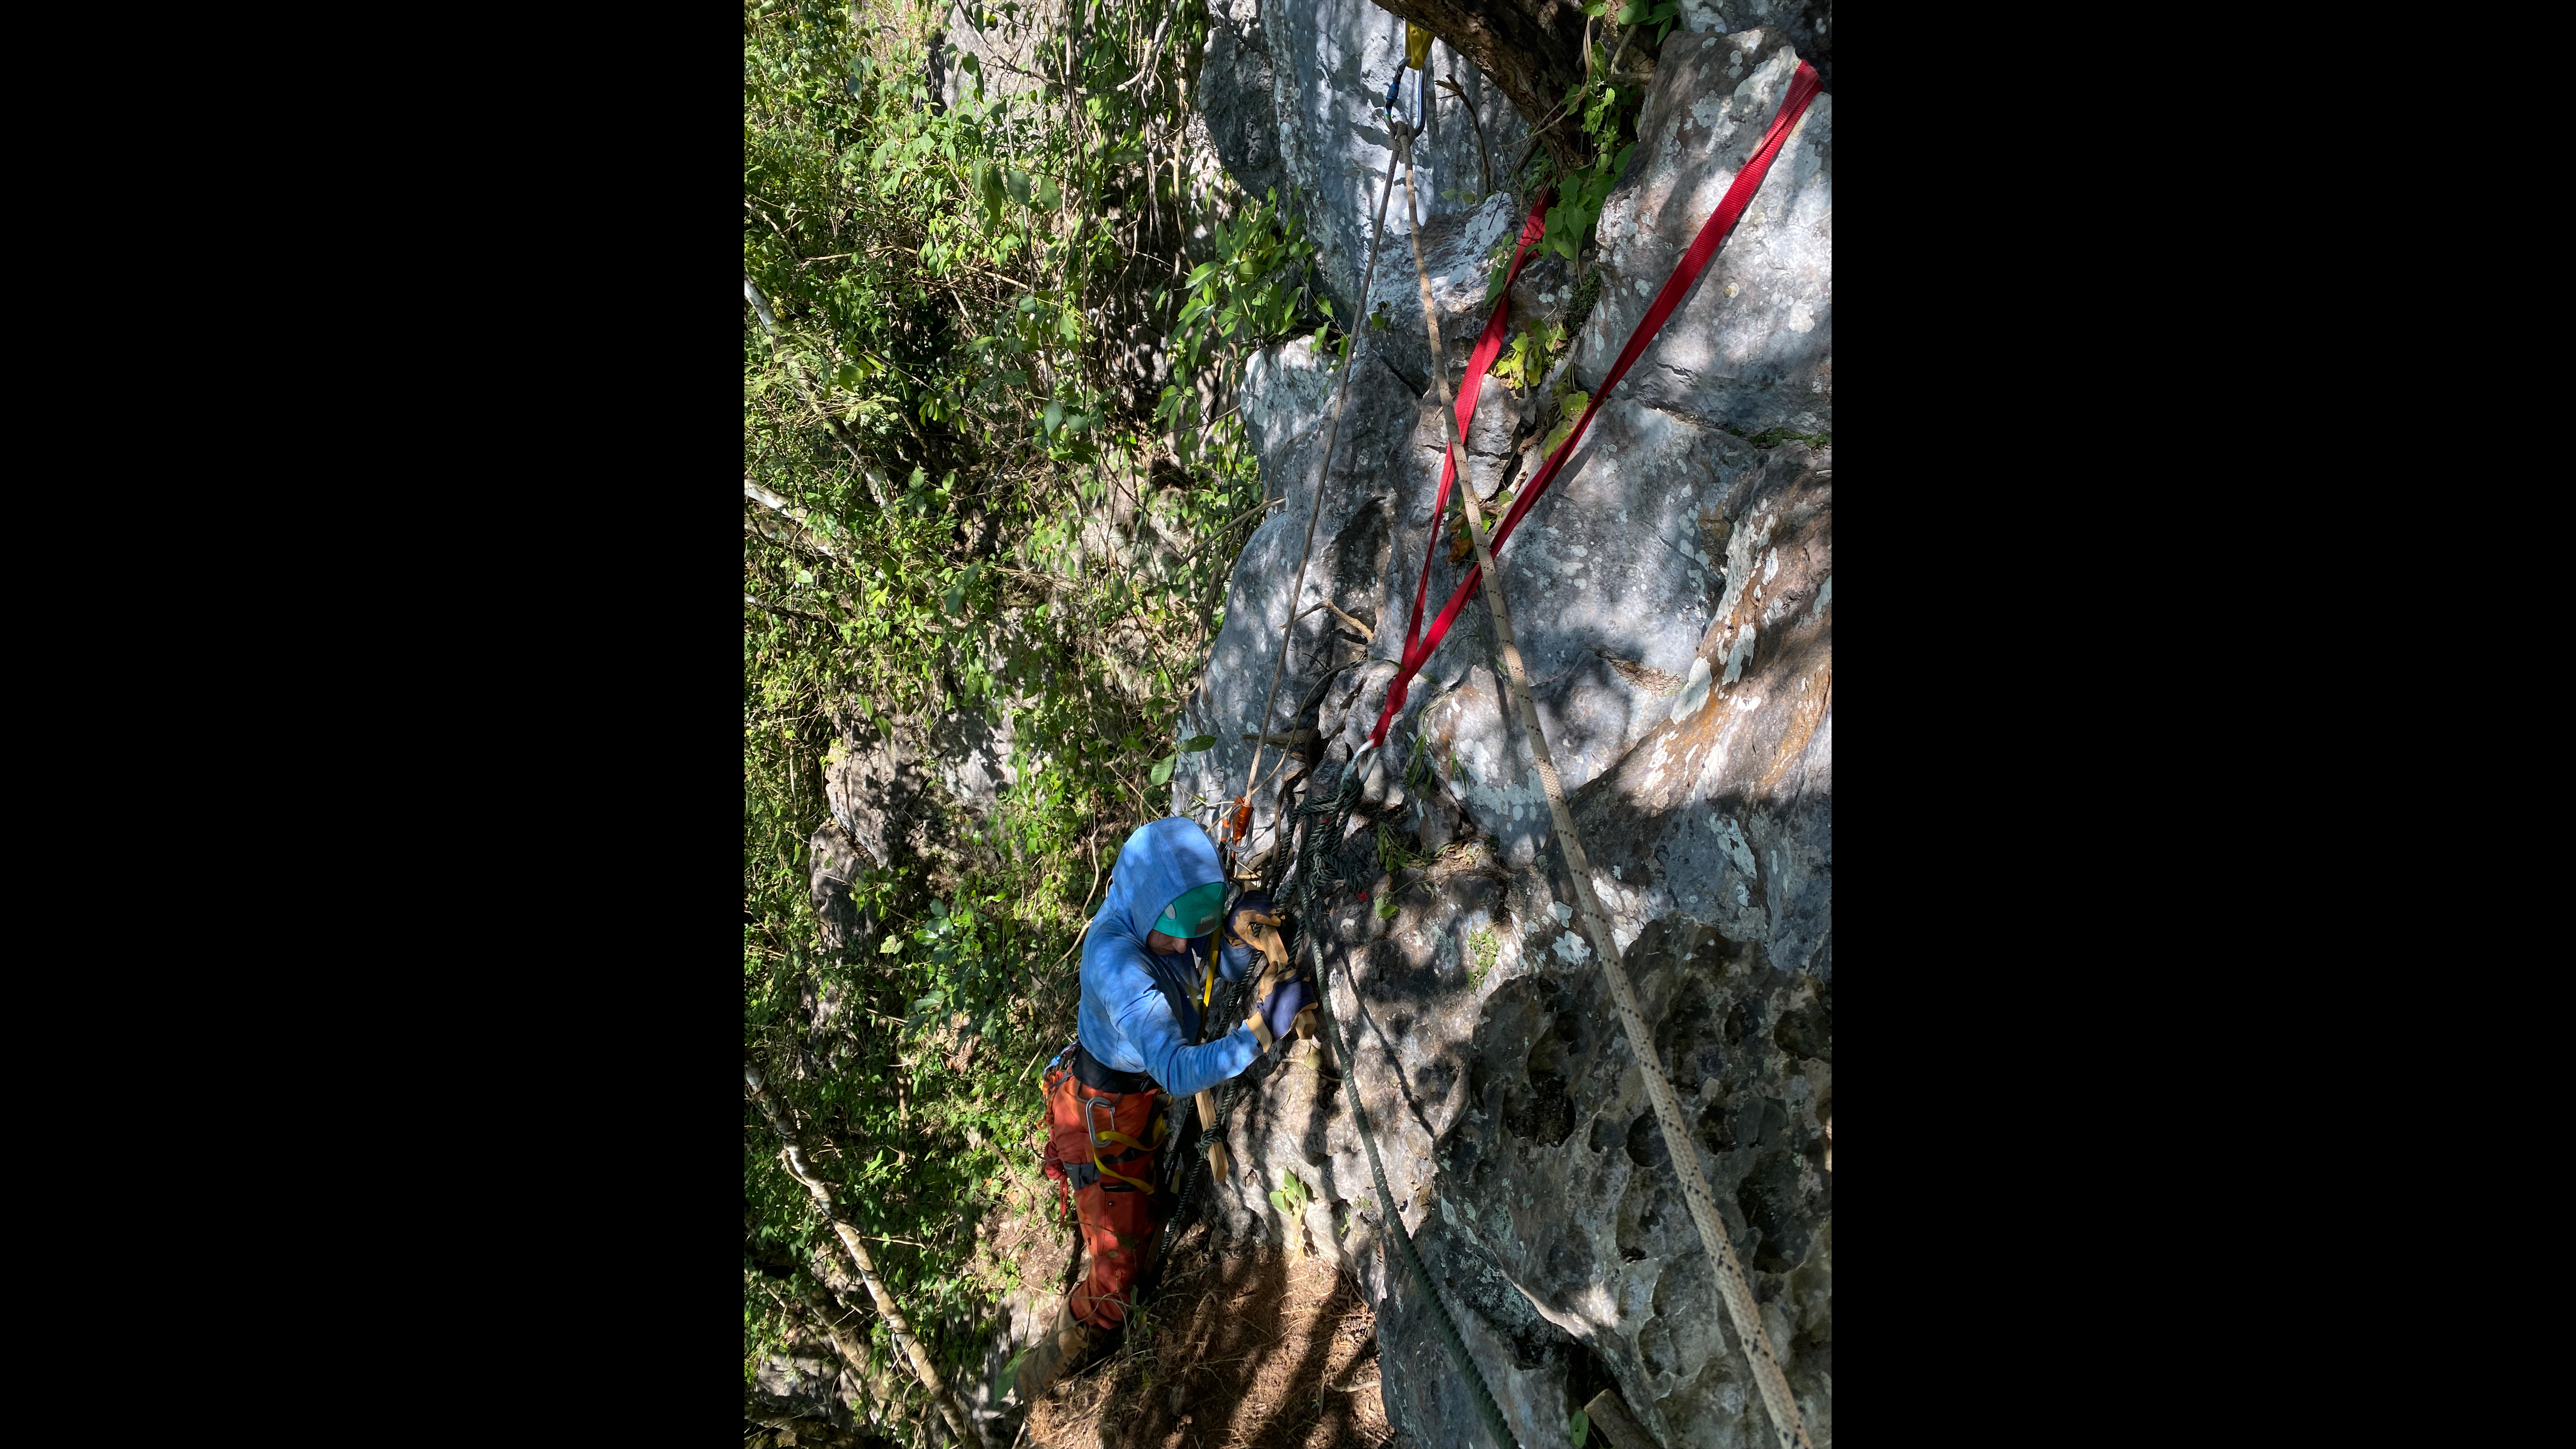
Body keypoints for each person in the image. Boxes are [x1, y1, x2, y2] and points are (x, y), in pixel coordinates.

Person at [1016, 817, 1313, 1403]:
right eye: (1175, 933)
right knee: (1116, 1280)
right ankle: (1044, 1375)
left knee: (1142, 1213)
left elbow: (1192, 968)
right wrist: (1263, 1030)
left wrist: (1230, 936)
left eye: (1189, 930)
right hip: (1100, 1120)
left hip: (1124, 1101)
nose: (1183, 945)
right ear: (1147, 909)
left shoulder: (1151, 914)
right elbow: (1178, 1071)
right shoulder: (1115, 965)